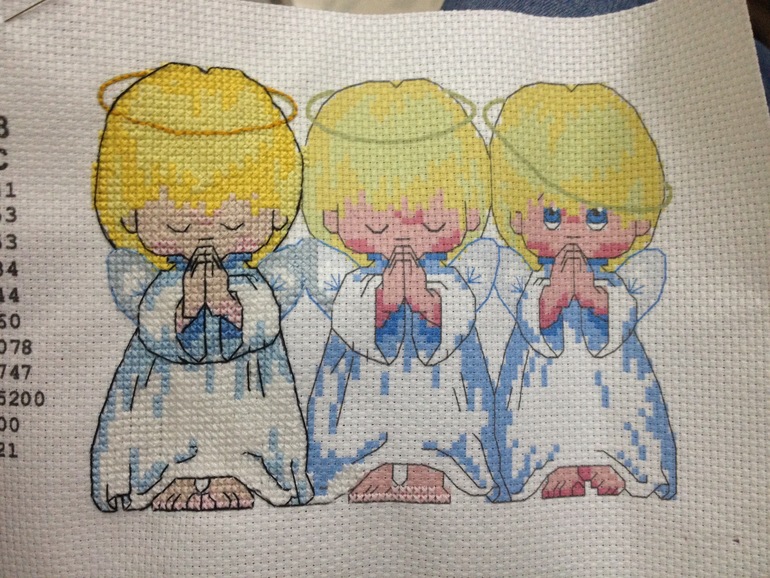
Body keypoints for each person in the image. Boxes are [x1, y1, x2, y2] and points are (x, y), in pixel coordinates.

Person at [90, 63, 312, 511]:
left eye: (234, 223)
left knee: (253, 424)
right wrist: (185, 306)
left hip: (249, 384)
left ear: (275, 213)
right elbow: (150, 321)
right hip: (163, 387)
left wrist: (231, 305)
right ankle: (168, 479)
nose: (207, 236)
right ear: (130, 215)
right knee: (157, 424)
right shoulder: (142, 277)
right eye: (177, 225)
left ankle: (242, 474)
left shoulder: (261, 280)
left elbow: (268, 316)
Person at [302, 79, 497, 503]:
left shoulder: (454, 276)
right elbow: (345, 315)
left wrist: (428, 302)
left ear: (469, 213)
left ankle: (434, 464)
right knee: (358, 415)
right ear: (332, 215)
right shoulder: (351, 279)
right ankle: (369, 465)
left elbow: (461, 313)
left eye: (432, 222)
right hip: (362, 382)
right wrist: (383, 301)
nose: (404, 234)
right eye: (377, 224)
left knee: (445, 415)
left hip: (443, 383)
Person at [489, 83, 677, 501]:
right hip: (539, 374)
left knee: (623, 402)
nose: (573, 231)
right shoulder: (518, 274)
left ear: (639, 220)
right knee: (538, 410)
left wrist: (595, 297)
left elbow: (631, 305)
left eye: (596, 215)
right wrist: (552, 298)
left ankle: (617, 461)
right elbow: (525, 315)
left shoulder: (634, 274)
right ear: (516, 217)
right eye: (551, 215)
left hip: (615, 369)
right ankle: (549, 464)